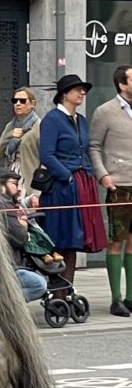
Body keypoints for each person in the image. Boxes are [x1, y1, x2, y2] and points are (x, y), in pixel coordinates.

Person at [37, 74, 107, 296]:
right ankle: (57, 292)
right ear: (64, 94)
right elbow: (46, 155)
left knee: (75, 239)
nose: (82, 93)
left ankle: (68, 290)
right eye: (77, 89)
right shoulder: (52, 119)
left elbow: (85, 150)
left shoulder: (82, 120)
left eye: (83, 90)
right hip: (62, 187)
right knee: (61, 237)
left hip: (83, 184)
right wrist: (66, 176)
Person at [89, 65, 132, 317]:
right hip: (119, 185)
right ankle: (116, 298)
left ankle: (131, 296)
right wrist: (103, 175)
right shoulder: (105, 112)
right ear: (122, 85)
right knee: (116, 241)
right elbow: (93, 146)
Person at [0, 171, 48, 303]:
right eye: (14, 184)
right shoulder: (3, 204)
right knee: (39, 284)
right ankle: (5, 304)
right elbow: (20, 238)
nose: (18, 188)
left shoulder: (4, 201)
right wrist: (23, 225)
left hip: (7, 265)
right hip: (8, 268)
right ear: (1, 185)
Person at [0, 86, 41, 194]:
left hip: (29, 178)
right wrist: (10, 135)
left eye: (23, 101)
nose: (18, 104)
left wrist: (37, 190)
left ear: (32, 104)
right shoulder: (10, 126)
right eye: (15, 101)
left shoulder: (39, 126)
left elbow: (45, 160)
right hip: (10, 176)